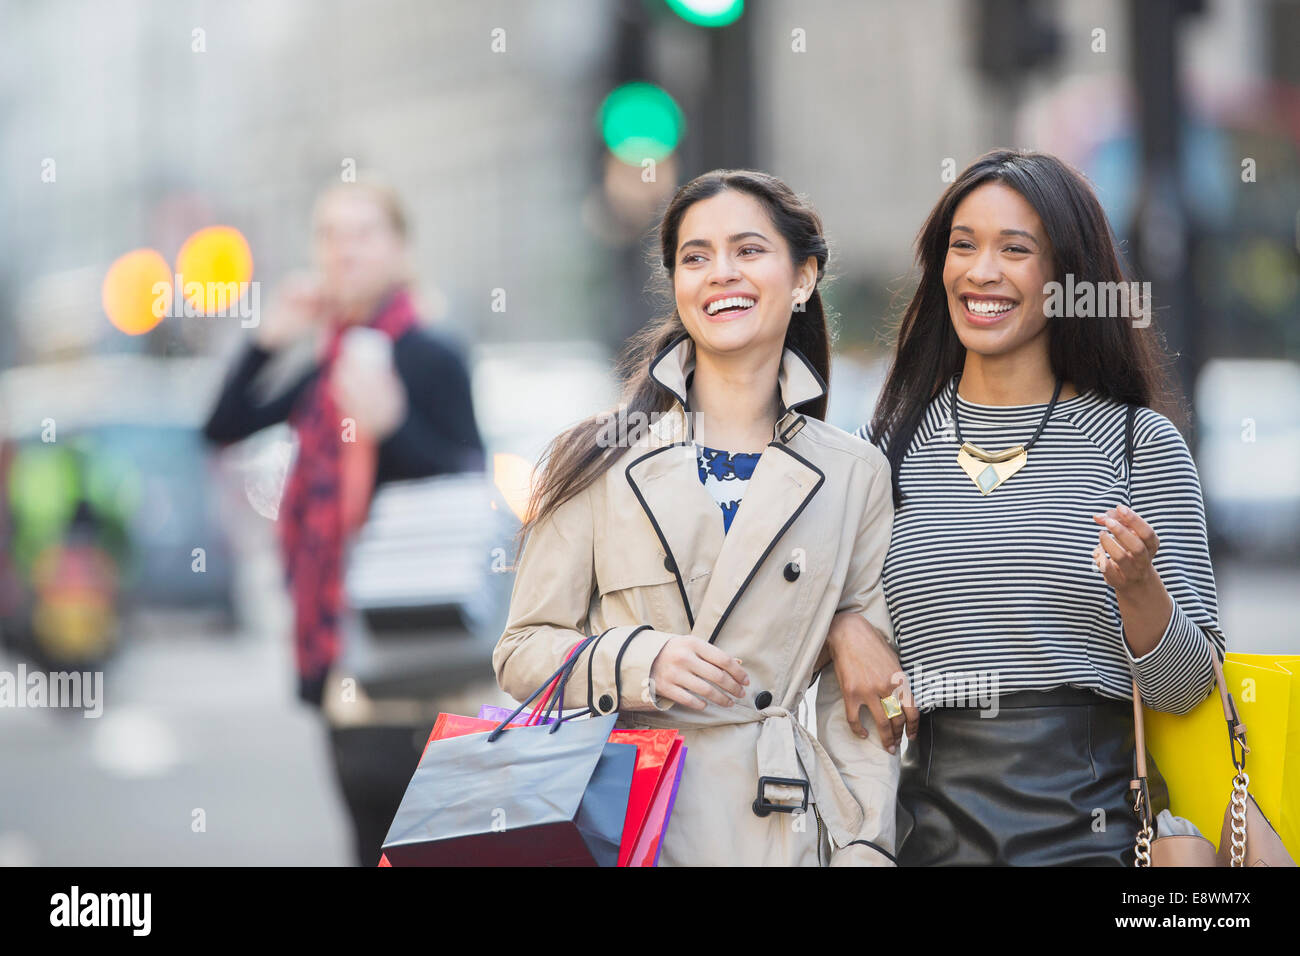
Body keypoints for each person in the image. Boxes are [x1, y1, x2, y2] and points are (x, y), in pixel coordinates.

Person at [822, 148, 1225, 865]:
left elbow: (1188, 689)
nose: (981, 271)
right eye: (963, 245)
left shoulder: (1136, 443)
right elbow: (781, 614)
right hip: (927, 830)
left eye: (1016, 249)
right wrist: (842, 625)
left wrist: (1141, 592)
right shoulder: (880, 450)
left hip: (1097, 829)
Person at [493, 169, 899, 866]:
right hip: (628, 821)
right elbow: (521, 650)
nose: (721, 274)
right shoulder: (598, 456)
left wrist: (867, 849)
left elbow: (854, 712)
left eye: (748, 251)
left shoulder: (854, 473)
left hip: (780, 826)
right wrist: (639, 658)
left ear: (803, 279)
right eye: (696, 257)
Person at [202, 178, 484, 865]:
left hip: (417, 647)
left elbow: (465, 480)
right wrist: (268, 342)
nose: (343, 250)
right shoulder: (328, 364)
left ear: (401, 250)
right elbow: (222, 426)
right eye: (329, 235)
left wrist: (393, 427)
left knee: (420, 845)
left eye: (363, 233)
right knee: (366, 838)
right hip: (342, 643)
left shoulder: (429, 353)